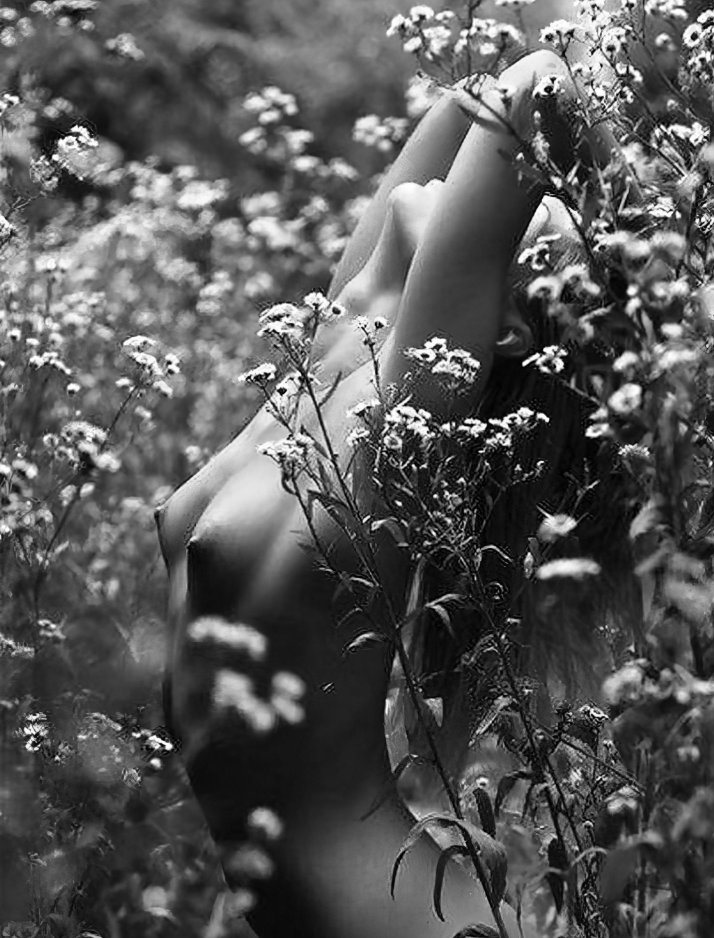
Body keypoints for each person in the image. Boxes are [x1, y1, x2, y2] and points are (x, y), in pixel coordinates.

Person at [156, 50, 637, 938]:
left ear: (505, 328)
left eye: (531, 218)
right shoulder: (332, 351)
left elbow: (538, 84)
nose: (477, 192)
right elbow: (478, 98)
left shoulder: (408, 413)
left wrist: (651, 264)